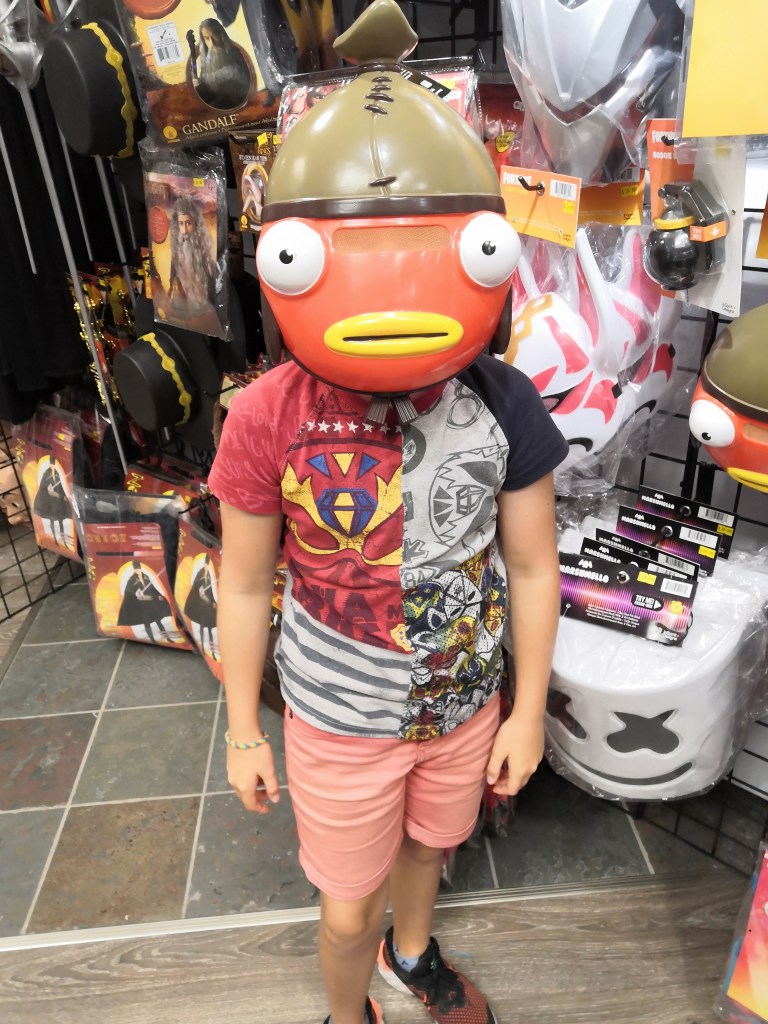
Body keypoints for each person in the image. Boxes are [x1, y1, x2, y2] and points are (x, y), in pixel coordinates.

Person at [207, 4, 569, 1024]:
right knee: (344, 908)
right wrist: (242, 731)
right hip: (337, 716)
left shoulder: (503, 402)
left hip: (463, 702)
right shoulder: (267, 415)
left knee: (428, 848)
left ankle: (412, 956)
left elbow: (532, 565)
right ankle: (346, 1008)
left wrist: (527, 710)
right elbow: (244, 582)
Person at [167, 195, 217, 314]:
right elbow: (172, 282)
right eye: (181, 223)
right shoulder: (176, 254)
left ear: (196, 223)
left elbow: (213, 284)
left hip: (205, 309)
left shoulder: (205, 253)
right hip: (183, 310)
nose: (184, 230)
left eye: (188, 223)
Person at [192, 17, 251, 110]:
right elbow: (205, 86)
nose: (212, 43)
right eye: (207, 38)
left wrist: (203, 81)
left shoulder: (234, 52)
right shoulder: (207, 59)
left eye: (215, 35)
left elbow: (233, 72)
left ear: (221, 34)